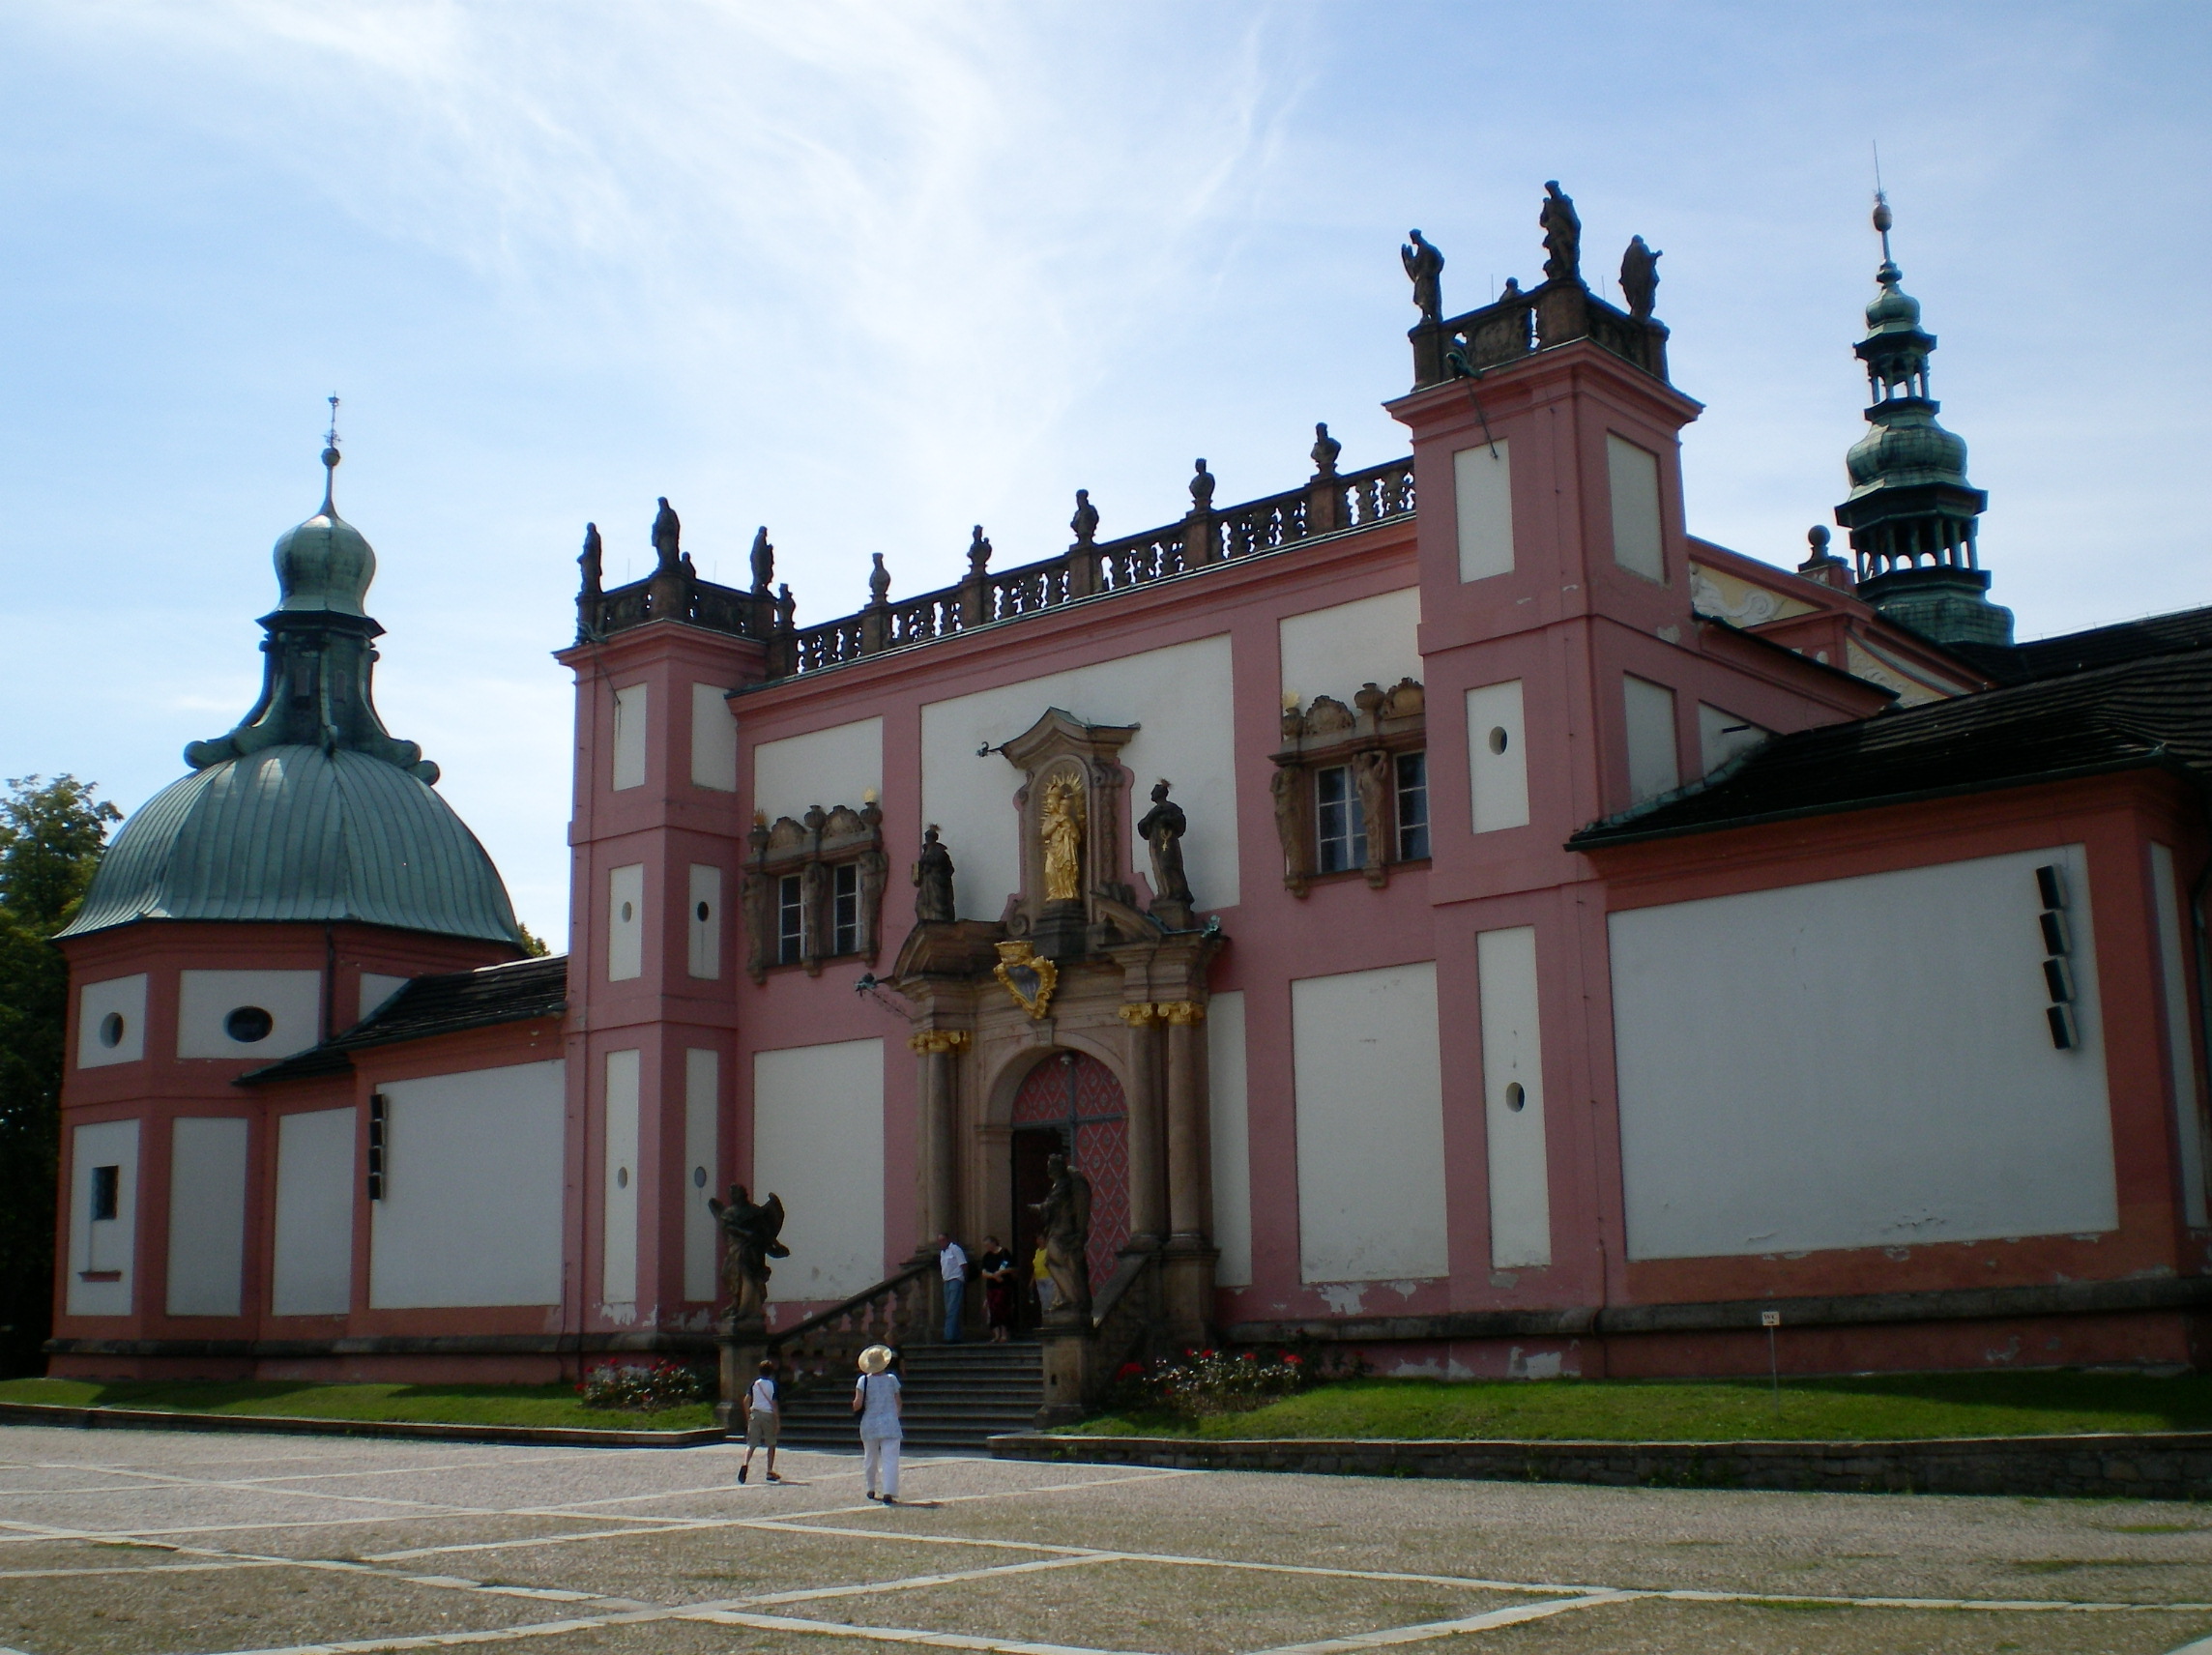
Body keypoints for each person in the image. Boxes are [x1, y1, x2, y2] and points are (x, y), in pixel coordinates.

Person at [853, 1344, 903, 1503]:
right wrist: (895, 1415)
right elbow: (898, 1402)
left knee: (870, 1457)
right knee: (890, 1459)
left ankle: (871, 1488)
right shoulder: (892, 1379)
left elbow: (858, 1404)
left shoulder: (863, 1381)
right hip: (890, 1423)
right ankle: (889, 1491)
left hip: (870, 1423)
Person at [737, 1357, 780, 1485]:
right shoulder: (773, 1385)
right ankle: (769, 1470)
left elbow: (746, 1401)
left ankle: (745, 1464)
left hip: (755, 1413)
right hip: (768, 1415)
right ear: (771, 1371)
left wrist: (748, 1416)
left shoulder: (755, 1383)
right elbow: (774, 1404)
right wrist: (778, 1421)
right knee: (771, 1443)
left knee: (751, 1444)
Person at [976, 1235, 1016, 1343]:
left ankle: (1004, 1333)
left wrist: (1000, 1272)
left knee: (1001, 1307)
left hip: (1003, 1285)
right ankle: (996, 1334)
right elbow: (984, 1272)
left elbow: (1007, 1266)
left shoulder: (1003, 1253)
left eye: (988, 1244)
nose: (987, 1247)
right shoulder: (987, 1256)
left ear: (994, 1242)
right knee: (993, 1309)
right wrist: (993, 1276)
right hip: (991, 1286)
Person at [937, 1233, 969, 1343]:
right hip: (946, 1280)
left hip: (956, 1279)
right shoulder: (942, 1252)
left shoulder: (955, 1249)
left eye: (943, 1240)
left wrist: (963, 1278)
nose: (941, 1242)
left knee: (952, 1309)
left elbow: (963, 1264)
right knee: (950, 1309)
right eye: (939, 1241)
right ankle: (956, 1335)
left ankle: (949, 1336)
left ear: (948, 1239)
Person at [1032, 1237, 1056, 1319]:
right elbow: (1035, 1267)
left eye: (1041, 1239)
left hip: (1048, 1277)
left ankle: (1052, 1318)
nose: (1039, 1241)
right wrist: (1032, 1281)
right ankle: (1045, 1318)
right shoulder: (1037, 1251)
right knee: (1043, 1300)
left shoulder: (1049, 1251)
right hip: (1039, 1278)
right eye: (1038, 1239)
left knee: (1050, 1299)